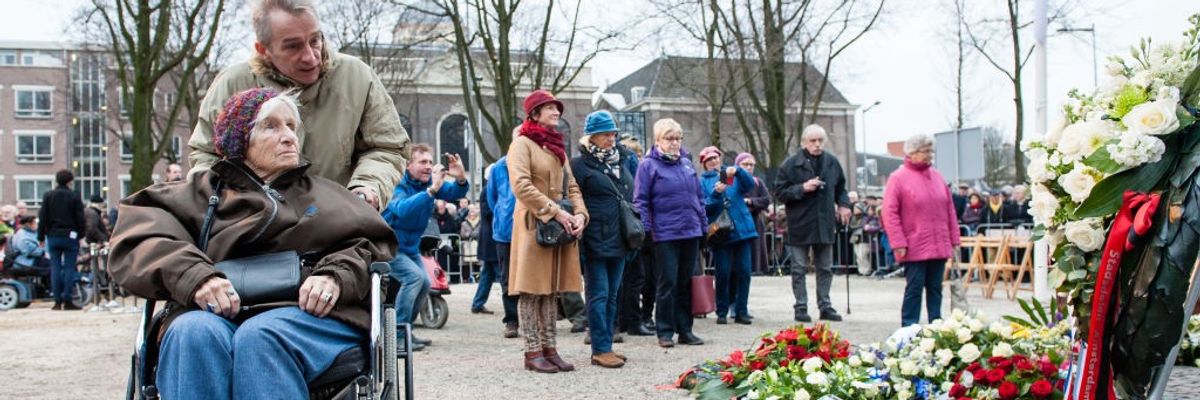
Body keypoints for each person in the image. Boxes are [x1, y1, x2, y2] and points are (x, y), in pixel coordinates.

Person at [107, 88, 397, 399]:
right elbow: (140, 238)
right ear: (238, 141)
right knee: (192, 333)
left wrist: (334, 274)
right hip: (212, 311)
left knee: (260, 337)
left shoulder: (327, 195)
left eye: (291, 126)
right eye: (271, 126)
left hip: (305, 315)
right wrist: (194, 276)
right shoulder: (197, 195)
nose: (289, 137)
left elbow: (368, 244)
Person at [188, 0, 409, 210]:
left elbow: (388, 146)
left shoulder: (357, 78)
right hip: (254, 225)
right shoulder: (233, 84)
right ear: (264, 50)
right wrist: (231, 204)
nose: (310, 57)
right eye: (293, 46)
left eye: (315, 40)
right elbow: (206, 156)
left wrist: (366, 188)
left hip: (338, 221)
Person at [507, 90, 588, 373]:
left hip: (558, 226)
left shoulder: (556, 147)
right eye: (550, 108)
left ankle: (550, 348)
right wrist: (557, 211)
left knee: (551, 289)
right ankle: (532, 352)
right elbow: (521, 185)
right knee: (532, 289)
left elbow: (572, 186)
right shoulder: (522, 144)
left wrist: (580, 214)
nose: (556, 112)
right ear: (534, 113)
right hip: (533, 224)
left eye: (557, 108)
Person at [381, 143, 468, 351]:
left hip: (410, 247)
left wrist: (460, 177)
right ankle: (396, 336)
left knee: (425, 284)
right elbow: (402, 209)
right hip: (388, 246)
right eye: (422, 162)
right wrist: (431, 191)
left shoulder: (429, 183)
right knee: (414, 278)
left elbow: (454, 192)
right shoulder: (396, 184)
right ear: (408, 165)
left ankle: (406, 331)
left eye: (430, 161)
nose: (428, 166)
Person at [570, 110, 636, 368]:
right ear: (592, 136)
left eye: (613, 134)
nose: (611, 139)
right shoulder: (579, 165)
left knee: (613, 295)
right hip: (594, 237)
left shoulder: (622, 161)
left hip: (620, 237)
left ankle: (607, 343)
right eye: (605, 134)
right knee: (599, 294)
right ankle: (599, 349)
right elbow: (573, 198)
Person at [633, 118, 706, 348]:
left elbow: (698, 198)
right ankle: (664, 331)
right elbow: (641, 200)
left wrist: (703, 226)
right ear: (658, 140)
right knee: (667, 283)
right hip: (664, 234)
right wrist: (646, 230)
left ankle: (685, 329)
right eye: (669, 138)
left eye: (677, 138)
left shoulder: (687, 164)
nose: (674, 143)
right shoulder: (648, 166)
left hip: (690, 231)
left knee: (686, 283)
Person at [882, 134, 961, 327]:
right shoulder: (897, 178)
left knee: (936, 288)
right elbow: (889, 213)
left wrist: (954, 239)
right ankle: (909, 327)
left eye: (931, 151)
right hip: (914, 245)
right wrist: (898, 242)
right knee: (914, 288)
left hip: (939, 243)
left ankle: (936, 325)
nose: (930, 155)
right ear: (912, 153)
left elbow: (949, 210)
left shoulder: (938, 176)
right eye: (925, 151)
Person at [773, 124, 850, 323]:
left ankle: (825, 305)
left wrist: (844, 205)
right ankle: (801, 306)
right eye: (813, 141)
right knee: (799, 268)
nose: (817, 144)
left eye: (820, 141)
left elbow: (841, 188)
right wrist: (802, 188)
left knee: (825, 267)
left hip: (824, 222)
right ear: (804, 143)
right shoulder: (790, 164)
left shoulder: (832, 162)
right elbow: (779, 192)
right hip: (800, 222)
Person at [698, 146, 758, 326]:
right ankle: (722, 311)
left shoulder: (730, 173)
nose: (713, 161)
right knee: (722, 273)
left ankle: (741, 311)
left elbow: (750, 185)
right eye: (709, 159)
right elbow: (705, 207)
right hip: (720, 233)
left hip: (742, 230)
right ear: (704, 163)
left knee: (744, 272)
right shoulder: (701, 181)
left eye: (715, 158)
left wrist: (738, 170)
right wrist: (716, 193)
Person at [38, 169, 86, 311]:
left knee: (55, 268)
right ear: (70, 181)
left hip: (53, 235)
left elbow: (43, 217)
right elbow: (80, 217)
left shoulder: (48, 195)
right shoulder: (74, 196)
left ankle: (57, 301)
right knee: (70, 268)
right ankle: (68, 298)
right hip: (70, 235)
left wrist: (41, 236)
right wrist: (81, 235)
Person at [486, 156, 521, 338]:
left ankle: (533, 319)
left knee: (531, 277)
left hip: (528, 230)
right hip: (504, 231)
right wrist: (503, 214)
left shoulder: (530, 161)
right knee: (507, 278)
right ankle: (511, 320)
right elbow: (492, 198)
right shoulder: (498, 168)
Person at [735, 153, 771, 278]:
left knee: (754, 251)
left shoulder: (757, 182)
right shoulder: (730, 180)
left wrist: (750, 201)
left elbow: (766, 199)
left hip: (754, 220)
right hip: (735, 221)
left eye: (751, 165)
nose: (749, 167)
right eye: (745, 164)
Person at [471, 165, 499, 315]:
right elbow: (490, 212)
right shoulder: (489, 190)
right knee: (501, 273)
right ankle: (513, 307)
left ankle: (478, 303)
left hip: (489, 238)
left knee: (487, 275)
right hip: (491, 239)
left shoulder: (488, 189)